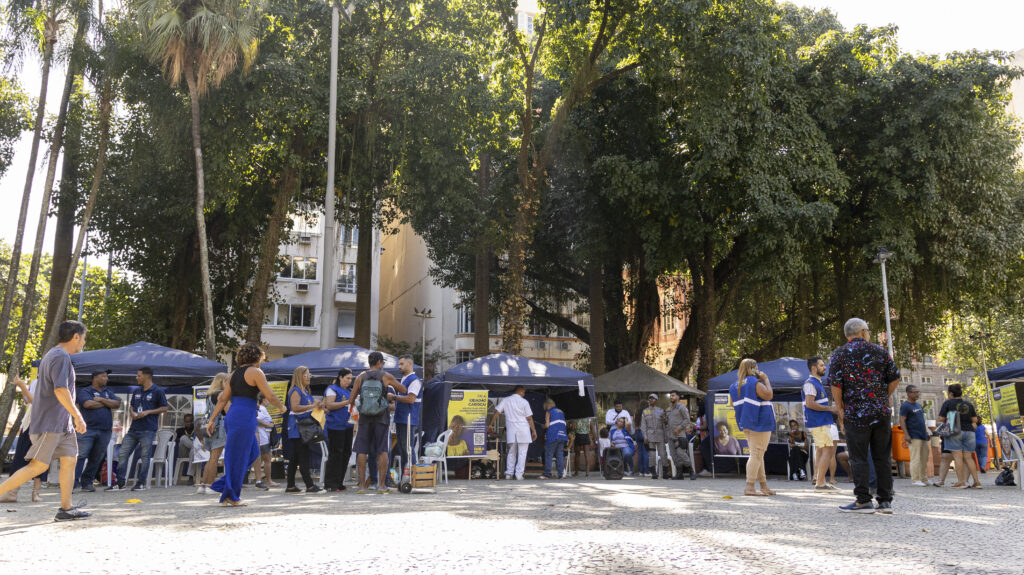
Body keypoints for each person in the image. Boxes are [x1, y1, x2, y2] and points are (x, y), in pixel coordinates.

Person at [0, 321, 90, 521]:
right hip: (50, 424)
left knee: (70, 460)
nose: (84, 342)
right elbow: (60, 390)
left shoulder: (55, 355)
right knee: (38, 466)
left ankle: (66, 509)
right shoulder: (60, 357)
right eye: (83, 338)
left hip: (62, 424)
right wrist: (77, 415)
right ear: (75, 336)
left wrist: (71, 418)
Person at [828, 318, 900, 514]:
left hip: (855, 412)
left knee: (858, 457)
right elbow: (895, 377)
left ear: (847, 335)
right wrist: (884, 396)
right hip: (880, 412)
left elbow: (836, 384)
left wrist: (840, 408)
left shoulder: (840, 354)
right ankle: (885, 501)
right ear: (863, 332)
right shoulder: (880, 352)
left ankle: (863, 500)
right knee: (882, 456)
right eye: (868, 330)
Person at [205, 343, 286, 506]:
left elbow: (223, 399)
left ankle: (226, 487)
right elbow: (269, 395)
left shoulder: (234, 374)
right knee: (239, 456)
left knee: (251, 453)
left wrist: (212, 419)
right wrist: (281, 407)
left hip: (235, 415)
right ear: (257, 357)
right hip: (243, 416)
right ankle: (230, 496)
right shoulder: (256, 372)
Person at [350, 351, 407, 493]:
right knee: (382, 450)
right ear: (379, 362)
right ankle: (382, 486)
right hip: (381, 417)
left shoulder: (360, 377)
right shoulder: (386, 376)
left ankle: (362, 486)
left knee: (362, 450)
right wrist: (389, 396)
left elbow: (351, 399)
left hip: (364, 418)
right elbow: (403, 389)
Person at [109, 366, 168, 491]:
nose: (137, 378)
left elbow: (164, 408)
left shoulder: (158, 391)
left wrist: (148, 412)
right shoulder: (137, 391)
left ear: (146, 376)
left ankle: (140, 483)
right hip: (133, 429)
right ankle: (120, 483)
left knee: (145, 456)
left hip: (148, 429)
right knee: (122, 454)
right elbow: (131, 406)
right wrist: (132, 413)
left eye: (139, 375)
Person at [730, 358, 775, 496]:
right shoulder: (754, 382)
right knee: (756, 454)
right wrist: (766, 379)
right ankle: (750, 487)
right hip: (760, 422)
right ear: (751, 369)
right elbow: (769, 394)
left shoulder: (735, 385)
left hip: (746, 423)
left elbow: (732, 403)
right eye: (756, 367)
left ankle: (763, 486)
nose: (758, 370)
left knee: (758, 454)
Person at [75, 369, 120, 492]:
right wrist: (107, 403)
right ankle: (72, 483)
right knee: (81, 455)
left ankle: (87, 482)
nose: (106, 379)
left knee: (96, 458)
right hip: (87, 430)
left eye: (107, 377)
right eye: (103, 376)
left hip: (105, 431)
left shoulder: (107, 392)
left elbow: (117, 404)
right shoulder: (85, 391)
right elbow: (87, 404)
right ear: (95, 378)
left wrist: (100, 400)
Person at [0, 377, 45, 503]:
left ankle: (35, 493)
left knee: (41, 458)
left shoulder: (53, 382)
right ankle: (12, 493)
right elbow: (28, 401)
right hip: (31, 423)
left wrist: (21, 385)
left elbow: (35, 401)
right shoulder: (36, 382)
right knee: (21, 457)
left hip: (44, 424)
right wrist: (23, 388)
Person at [802, 355, 839, 491]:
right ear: (814, 368)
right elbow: (809, 403)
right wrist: (830, 408)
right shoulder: (810, 383)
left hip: (822, 421)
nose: (824, 367)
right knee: (827, 450)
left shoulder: (817, 383)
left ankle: (820, 480)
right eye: (822, 365)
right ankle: (820, 482)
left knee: (823, 450)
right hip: (818, 422)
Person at [285, 365, 323, 493]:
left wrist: (318, 406)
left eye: (309, 375)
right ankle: (309, 485)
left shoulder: (305, 391)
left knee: (295, 458)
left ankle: (290, 485)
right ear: (299, 376)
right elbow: (295, 407)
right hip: (298, 428)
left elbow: (310, 407)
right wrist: (311, 406)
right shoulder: (296, 391)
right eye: (306, 375)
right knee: (303, 456)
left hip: (303, 427)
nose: (309, 378)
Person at [488, 385, 537, 480]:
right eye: (524, 393)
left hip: (512, 430)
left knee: (511, 452)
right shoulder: (524, 402)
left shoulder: (506, 400)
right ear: (521, 392)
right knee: (522, 453)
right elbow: (529, 418)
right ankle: (519, 474)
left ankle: (509, 473)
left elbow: (497, 412)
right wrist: (534, 430)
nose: (524, 394)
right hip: (523, 430)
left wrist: (490, 424)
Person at [937, 383, 981, 489]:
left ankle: (961, 482)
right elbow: (975, 420)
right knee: (968, 458)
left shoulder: (948, 403)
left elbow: (941, 419)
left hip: (955, 431)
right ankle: (976, 482)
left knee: (958, 457)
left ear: (951, 393)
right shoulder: (968, 404)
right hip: (969, 432)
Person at [195, 372, 229, 494]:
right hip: (219, 428)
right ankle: (210, 485)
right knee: (215, 458)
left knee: (211, 458)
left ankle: (203, 485)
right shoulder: (221, 394)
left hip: (209, 427)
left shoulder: (209, 395)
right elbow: (227, 411)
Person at [323, 368, 355, 492]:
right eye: (347, 378)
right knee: (336, 454)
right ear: (340, 377)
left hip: (348, 426)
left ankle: (339, 481)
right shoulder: (332, 389)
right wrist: (347, 401)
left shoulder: (349, 390)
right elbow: (330, 405)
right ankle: (331, 483)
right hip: (335, 426)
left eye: (351, 378)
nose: (349, 381)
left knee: (346, 453)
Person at [393, 354, 422, 474]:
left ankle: (413, 477)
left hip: (408, 419)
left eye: (401, 364)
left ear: (410, 364)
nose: (399, 367)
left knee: (408, 449)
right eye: (399, 364)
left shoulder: (415, 380)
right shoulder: (404, 379)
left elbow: (410, 399)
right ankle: (407, 477)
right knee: (403, 449)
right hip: (401, 418)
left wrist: (394, 397)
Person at [899, 385, 931, 486]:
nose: (917, 394)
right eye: (914, 392)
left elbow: (922, 420)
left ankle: (924, 478)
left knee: (924, 458)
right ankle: (915, 479)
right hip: (913, 435)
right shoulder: (905, 405)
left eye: (918, 392)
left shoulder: (918, 405)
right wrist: (906, 434)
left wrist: (926, 432)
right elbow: (902, 420)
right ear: (908, 393)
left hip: (922, 434)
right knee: (915, 458)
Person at [664, 390, 695, 480]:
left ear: (678, 397)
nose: (671, 397)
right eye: (670, 396)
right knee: (674, 456)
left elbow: (687, 420)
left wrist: (679, 428)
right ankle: (679, 474)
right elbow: (667, 421)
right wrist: (665, 420)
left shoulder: (682, 407)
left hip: (679, 435)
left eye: (673, 395)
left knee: (682, 454)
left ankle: (691, 472)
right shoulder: (669, 409)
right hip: (670, 435)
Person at [252, 393, 278, 489]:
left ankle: (266, 479)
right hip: (262, 438)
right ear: (262, 400)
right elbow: (257, 419)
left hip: (264, 437)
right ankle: (268, 480)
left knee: (266, 459)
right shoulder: (260, 409)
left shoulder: (262, 409)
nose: (269, 401)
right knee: (266, 459)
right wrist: (267, 425)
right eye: (267, 399)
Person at [640, 394, 668, 478]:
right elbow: (643, 425)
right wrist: (645, 436)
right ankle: (653, 473)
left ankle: (665, 472)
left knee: (663, 454)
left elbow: (664, 424)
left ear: (656, 400)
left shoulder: (660, 411)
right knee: (652, 455)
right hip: (650, 434)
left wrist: (666, 436)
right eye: (649, 399)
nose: (651, 400)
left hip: (660, 434)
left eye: (653, 399)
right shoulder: (645, 411)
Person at [541, 398, 569, 479]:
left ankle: (547, 474)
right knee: (559, 455)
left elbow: (547, 425)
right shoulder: (561, 411)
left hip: (553, 435)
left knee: (549, 454)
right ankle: (561, 474)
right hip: (563, 435)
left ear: (547, 406)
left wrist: (543, 426)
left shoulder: (548, 412)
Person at [174, 414, 196, 484]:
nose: (188, 423)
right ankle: (193, 446)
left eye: (190, 421)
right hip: (183, 452)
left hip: (193, 453)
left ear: (193, 421)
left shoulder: (196, 430)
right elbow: (173, 440)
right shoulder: (180, 430)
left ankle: (190, 476)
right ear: (184, 422)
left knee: (193, 450)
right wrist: (187, 439)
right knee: (183, 438)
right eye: (187, 421)